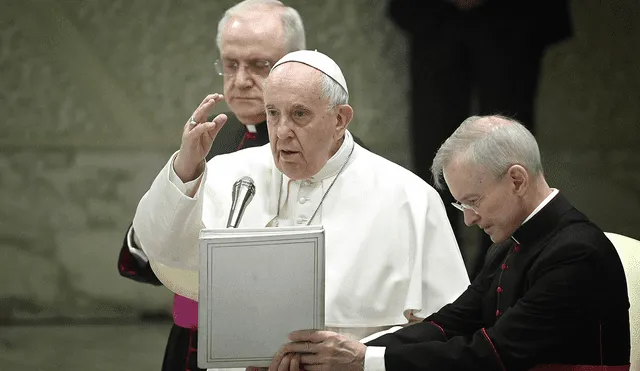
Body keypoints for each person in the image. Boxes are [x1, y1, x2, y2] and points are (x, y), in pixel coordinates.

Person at [132, 49, 471, 369]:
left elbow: (447, 324)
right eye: (272, 113)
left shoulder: (408, 197)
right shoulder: (226, 174)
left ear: (340, 119)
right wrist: (186, 169)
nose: (281, 132)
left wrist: (362, 356)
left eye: (299, 114)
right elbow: (165, 251)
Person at [268, 115, 631, 371]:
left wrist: (364, 362)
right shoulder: (508, 243)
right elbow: (450, 324)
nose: (469, 219)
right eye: (461, 205)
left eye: (473, 201)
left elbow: (493, 353)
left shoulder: (576, 253)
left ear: (517, 180)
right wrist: (352, 353)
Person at [117, 1, 306, 370]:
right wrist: (182, 175)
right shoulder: (214, 136)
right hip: (192, 343)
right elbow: (143, 255)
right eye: (230, 64)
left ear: (297, 64)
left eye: (258, 65)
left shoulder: (332, 148)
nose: (239, 80)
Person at [387, 0, 573, 280]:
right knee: (433, 150)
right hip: (435, 15)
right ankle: (439, 272)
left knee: (509, 143)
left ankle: (506, 268)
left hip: (512, 16)